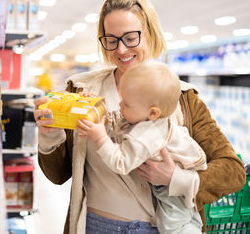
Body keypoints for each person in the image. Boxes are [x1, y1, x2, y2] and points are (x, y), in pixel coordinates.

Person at [34, 0, 246, 234]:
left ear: (151, 33)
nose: (121, 50)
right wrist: (49, 134)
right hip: (96, 226)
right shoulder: (83, 91)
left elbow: (233, 171)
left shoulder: (182, 97)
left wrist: (175, 178)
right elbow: (58, 175)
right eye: (111, 40)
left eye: (130, 37)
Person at [76, 61, 207, 233]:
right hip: (175, 185)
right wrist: (94, 105)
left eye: (126, 104)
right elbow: (119, 125)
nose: (119, 105)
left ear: (153, 113)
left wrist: (100, 137)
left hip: (174, 193)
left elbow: (121, 163)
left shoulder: (147, 135)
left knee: (174, 226)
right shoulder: (147, 118)